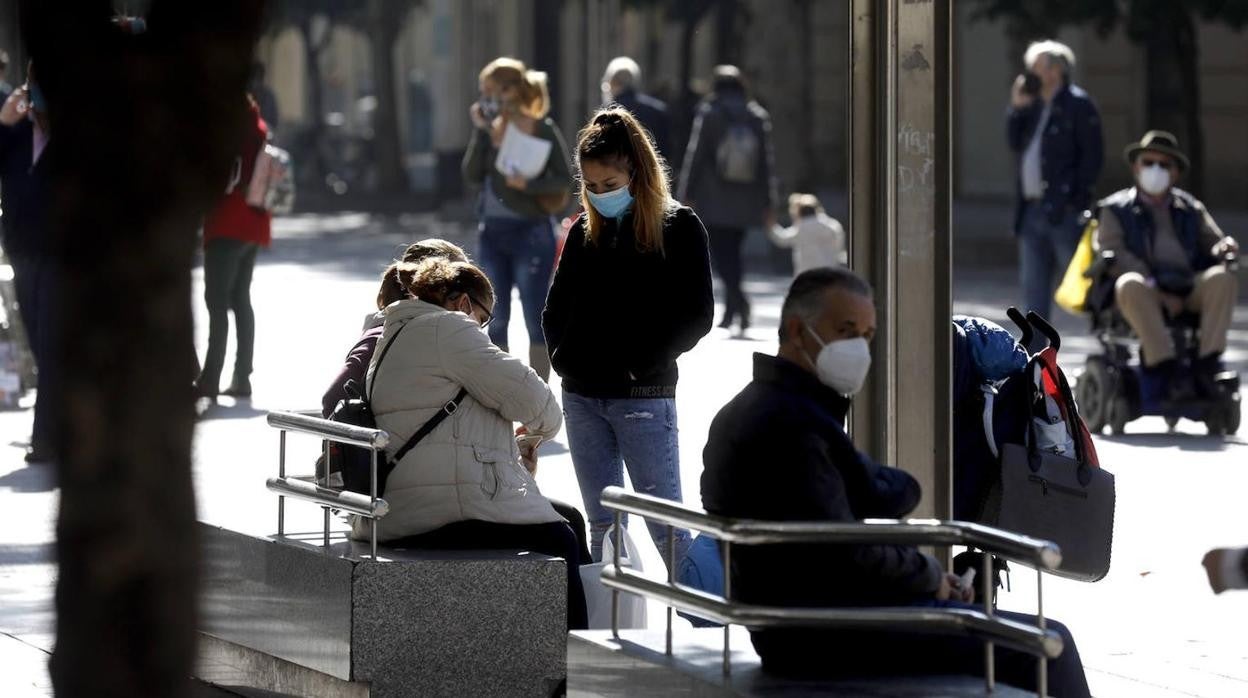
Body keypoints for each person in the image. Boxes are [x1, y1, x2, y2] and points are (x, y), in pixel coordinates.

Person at [701, 267, 1091, 696]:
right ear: (797, 330)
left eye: (866, 335)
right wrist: (931, 576)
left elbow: (864, 501)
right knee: (1051, 645)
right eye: (845, 330)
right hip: (831, 633)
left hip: (808, 624)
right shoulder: (793, 425)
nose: (858, 347)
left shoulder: (761, 410)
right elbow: (844, 553)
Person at [361, 256, 587, 628]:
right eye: (485, 319)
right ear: (464, 304)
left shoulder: (397, 331)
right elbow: (538, 403)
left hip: (403, 501)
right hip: (438, 509)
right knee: (562, 536)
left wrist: (512, 451)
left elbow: (442, 422)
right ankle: (581, 668)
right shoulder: (448, 329)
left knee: (569, 519)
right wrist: (536, 435)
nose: (483, 329)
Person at [543, 108, 713, 564]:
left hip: (643, 396)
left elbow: (697, 314)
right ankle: (608, 631)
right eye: (592, 188)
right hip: (582, 396)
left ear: (636, 174)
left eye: (610, 186)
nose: (600, 196)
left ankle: (705, 622)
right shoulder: (583, 230)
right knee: (602, 527)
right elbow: (555, 308)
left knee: (666, 528)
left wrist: (643, 361)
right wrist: (563, 360)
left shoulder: (678, 227)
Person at [1093, 130, 1239, 401]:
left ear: (1175, 173)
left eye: (1164, 164)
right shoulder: (1115, 209)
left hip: (1187, 286)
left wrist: (1224, 247)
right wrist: (1159, 293)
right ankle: (1164, 367)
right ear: (1136, 167)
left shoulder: (1190, 207)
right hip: (1146, 289)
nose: (1155, 170)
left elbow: (1214, 241)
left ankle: (1207, 365)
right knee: (1128, 283)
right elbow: (1113, 252)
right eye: (1149, 163)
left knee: (1223, 278)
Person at [462, 57, 572, 381]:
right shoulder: (490, 130)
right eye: (484, 93)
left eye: (491, 91)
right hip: (492, 233)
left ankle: (537, 395)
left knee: (535, 315)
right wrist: (481, 133)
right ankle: (501, 391)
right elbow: (471, 174)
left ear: (510, 91)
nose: (487, 99)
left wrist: (530, 185)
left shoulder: (542, 128)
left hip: (531, 233)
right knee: (494, 316)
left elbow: (564, 179)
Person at [1007, 40, 1103, 322]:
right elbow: (1014, 142)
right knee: (1033, 295)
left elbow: (1092, 159)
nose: (1031, 74)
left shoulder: (1079, 105)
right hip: (1031, 210)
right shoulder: (1033, 106)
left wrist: (1076, 200)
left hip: (1064, 210)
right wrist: (1017, 108)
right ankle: (1038, 360)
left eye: (1037, 67)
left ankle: (1104, 349)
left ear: (1056, 70)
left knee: (1082, 286)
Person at [678, 65, 778, 335]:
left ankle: (739, 305)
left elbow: (695, 155)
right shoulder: (756, 116)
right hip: (746, 199)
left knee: (722, 257)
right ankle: (733, 309)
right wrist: (769, 200)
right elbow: (767, 163)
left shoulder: (710, 113)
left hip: (714, 197)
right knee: (733, 253)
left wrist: (686, 193)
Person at [320, 239, 469, 419]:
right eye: (463, 285)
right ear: (433, 284)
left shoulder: (447, 333)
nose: (469, 298)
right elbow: (333, 400)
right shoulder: (382, 334)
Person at [194, 95, 272, 400]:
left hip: (227, 224)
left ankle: (210, 378)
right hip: (254, 223)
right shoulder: (258, 126)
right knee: (240, 299)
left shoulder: (228, 129)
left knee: (216, 301)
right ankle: (242, 377)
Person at [0, 63, 57, 462]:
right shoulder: (17, 132)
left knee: (52, 341)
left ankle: (45, 438)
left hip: (62, 253)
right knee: (38, 341)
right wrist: (2, 124)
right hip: (23, 249)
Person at [600, 56, 671, 159]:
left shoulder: (607, 113)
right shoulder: (658, 110)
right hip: (652, 171)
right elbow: (666, 150)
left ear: (613, 83)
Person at [767, 193, 846, 275]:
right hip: (829, 272)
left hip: (807, 274)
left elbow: (782, 239)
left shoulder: (801, 228)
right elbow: (839, 248)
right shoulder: (832, 225)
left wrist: (772, 226)